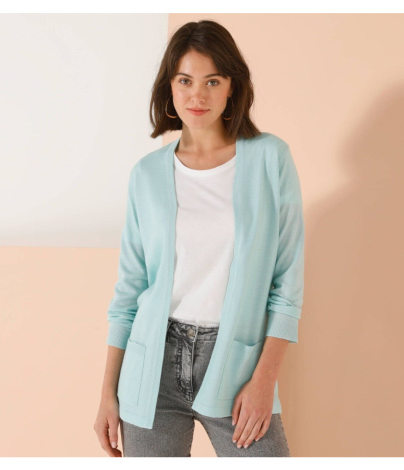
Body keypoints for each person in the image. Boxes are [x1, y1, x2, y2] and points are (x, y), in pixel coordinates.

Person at [94, 19, 304, 457]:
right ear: (169, 87)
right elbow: (129, 292)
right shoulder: (147, 175)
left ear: (232, 87)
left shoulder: (270, 158)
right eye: (185, 80)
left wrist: (264, 380)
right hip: (151, 368)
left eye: (213, 80)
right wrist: (108, 394)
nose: (198, 95)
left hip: (236, 361)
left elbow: (287, 286)